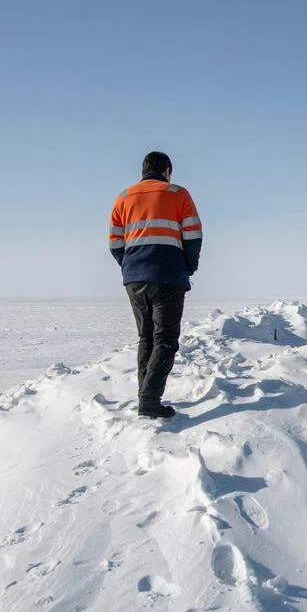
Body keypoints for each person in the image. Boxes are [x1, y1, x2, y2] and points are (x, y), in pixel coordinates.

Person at [108, 151, 203, 418]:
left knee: (146, 337)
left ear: (143, 171)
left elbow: (115, 242)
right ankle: (149, 401)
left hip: (135, 278)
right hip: (168, 275)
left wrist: (130, 266)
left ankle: (145, 397)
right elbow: (193, 234)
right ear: (167, 170)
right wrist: (188, 266)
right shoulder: (178, 193)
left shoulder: (123, 197)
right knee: (165, 339)